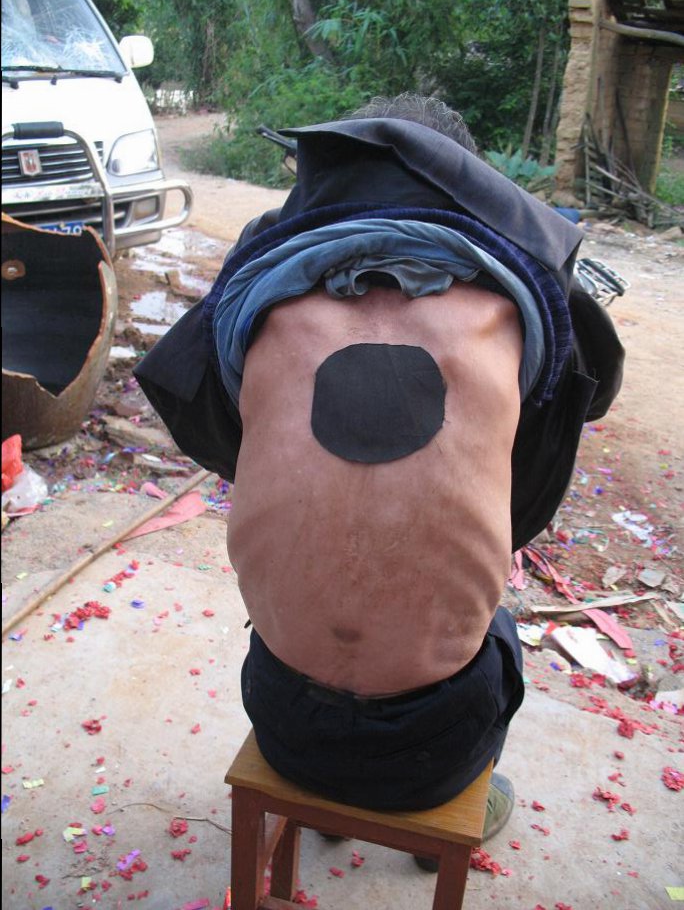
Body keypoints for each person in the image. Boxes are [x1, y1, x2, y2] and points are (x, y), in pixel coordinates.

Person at [134, 94, 624, 862]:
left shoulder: (260, 300)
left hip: (285, 718)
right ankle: (444, 816)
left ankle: (331, 801)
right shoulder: (516, 306)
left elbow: (227, 438)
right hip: (439, 744)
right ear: (468, 183)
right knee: (498, 620)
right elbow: (535, 481)